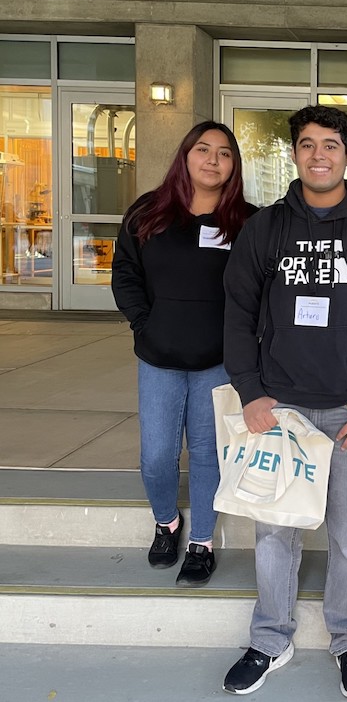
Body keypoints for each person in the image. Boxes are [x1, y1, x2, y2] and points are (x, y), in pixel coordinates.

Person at [221, 105, 347, 697]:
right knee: (276, 530)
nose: (319, 155)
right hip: (280, 412)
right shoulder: (266, 229)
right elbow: (237, 312)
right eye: (307, 145)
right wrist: (252, 394)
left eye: (331, 144)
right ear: (295, 154)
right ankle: (270, 638)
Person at [112, 121, 253, 587]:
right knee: (157, 455)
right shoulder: (148, 214)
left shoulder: (247, 223)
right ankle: (167, 523)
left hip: (218, 360)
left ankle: (202, 542)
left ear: (234, 165)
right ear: (185, 156)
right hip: (160, 356)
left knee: (209, 454)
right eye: (203, 149)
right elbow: (126, 275)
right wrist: (143, 324)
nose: (213, 159)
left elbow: (260, 292)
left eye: (224, 153)